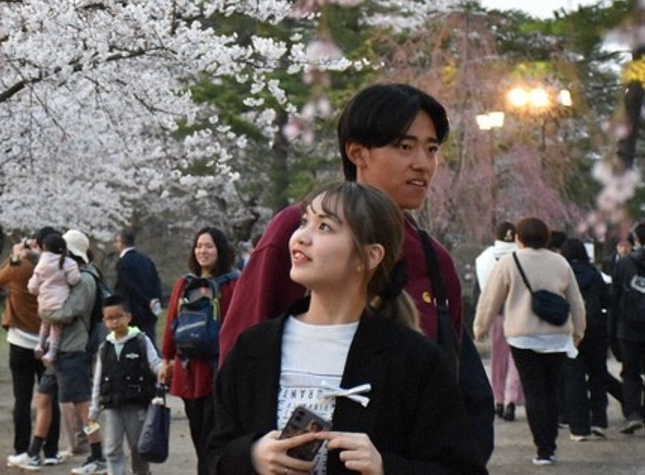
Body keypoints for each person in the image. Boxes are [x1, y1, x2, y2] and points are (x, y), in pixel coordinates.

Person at [216, 82, 495, 462]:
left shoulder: (434, 260)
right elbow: (238, 375)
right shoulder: (293, 237)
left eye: (432, 149)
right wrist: (249, 457)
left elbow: (453, 390)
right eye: (404, 146)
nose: (423, 163)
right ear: (357, 152)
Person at [207, 182, 485, 474]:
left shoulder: (415, 360)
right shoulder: (254, 348)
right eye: (304, 222)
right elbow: (213, 455)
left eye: (324, 227)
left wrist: (384, 467)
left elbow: (463, 468)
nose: (301, 237)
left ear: (370, 255)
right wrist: (252, 457)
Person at [474, 217, 586, 466]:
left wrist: (480, 327)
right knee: (551, 390)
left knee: (534, 391)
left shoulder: (509, 262)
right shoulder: (560, 262)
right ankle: (552, 444)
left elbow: (491, 298)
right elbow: (576, 300)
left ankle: (543, 450)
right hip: (557, 335)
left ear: (519, 238)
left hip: (523, 335)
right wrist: (578, 332)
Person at [8, 229, 107, 475]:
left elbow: (67, 312)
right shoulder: (69, 274)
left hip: (73, 349)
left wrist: (42, 311)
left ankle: (98, 456)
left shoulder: (85, 279)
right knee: (42, 399)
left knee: (82, 406)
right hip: (59, 349)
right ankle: (33, 454)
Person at [157, 227, 239, 475]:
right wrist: (166, 359)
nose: (203, 251)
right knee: (198, 433)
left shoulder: (234, 284)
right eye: (199, 246)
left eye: (209, 246)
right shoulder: (184, 284)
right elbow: (173, 322)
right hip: (189, 370)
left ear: (221, 250)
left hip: (219, 370)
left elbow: (238, 325)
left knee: (216, 436)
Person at [0, 228, 64, 467]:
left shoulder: (22, 267)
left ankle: (22, 448)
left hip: (20, 340)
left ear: (34, 243)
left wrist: (15, 255)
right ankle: (52, 450)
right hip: (49, 340)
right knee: (50, 398)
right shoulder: (61, 267)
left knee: (22, 399)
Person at [89, 294, 163, 475]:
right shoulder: (104, 348)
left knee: (138, 447)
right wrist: (94, 409)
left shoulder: (140, 340)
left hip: (136, 404)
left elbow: (155, 363)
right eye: (109, 318)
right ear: (104, 321)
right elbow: (98, 379)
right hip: (111, 406)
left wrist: (163, 369)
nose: (115, 321)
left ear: (128, 317)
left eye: (118, 316)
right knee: (112, 449)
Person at [558, 237, 611, 440]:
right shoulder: (594, 274)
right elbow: (606, 300)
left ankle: (579, 428)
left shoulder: (563, 274)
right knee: (598, 376)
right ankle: (599, 420)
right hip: (596, 331)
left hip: (570, 331)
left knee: (574, 380)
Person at [475, 221, 523, 422]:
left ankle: (498, 399)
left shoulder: (485, 258)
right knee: (517, 359)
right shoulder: (521, 256)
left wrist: (480, 322)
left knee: (498, 359)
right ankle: (512, 399)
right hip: (520, 312)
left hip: (497, 313)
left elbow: (482, 291)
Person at [610, 221, 645, 434]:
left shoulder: (623, 264)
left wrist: (612, 331)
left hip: (628, 327)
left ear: (637, 240)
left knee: (630, 372)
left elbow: (615, 299)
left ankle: (633, 413)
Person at [29, 233, 83, 364]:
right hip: (58, 306)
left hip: (43, 306)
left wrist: (40, 293)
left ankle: (40, 344)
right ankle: (51, 353)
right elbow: (73, 280)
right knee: (56, 329)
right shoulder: (68, 263)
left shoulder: (41, 263)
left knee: (45, 323)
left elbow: (32, 287)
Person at [114, 229, 164, 345]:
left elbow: (128, 287)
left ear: (121, 242)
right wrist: (153, 302)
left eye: (117, 242)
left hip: (132, 311)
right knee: (149, 344)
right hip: (149, 312)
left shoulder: (123, 263)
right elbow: (156, 282)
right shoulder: (146, 260)